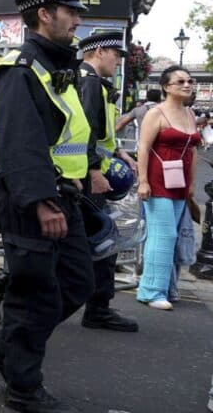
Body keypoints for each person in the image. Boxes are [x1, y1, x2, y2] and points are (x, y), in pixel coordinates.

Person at [0, 0, 94, 413]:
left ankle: (5, 346)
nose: (79, 20)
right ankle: (24, 390)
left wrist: (80, 175)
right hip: (33, 201)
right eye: (72, 12)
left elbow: (64, 133)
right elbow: (20, 143)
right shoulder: (20, 69)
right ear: (45, 14)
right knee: (35, 294)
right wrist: (42, 200)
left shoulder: (57, 67)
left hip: (63, 194)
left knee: (78, 282)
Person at [76, 32, 139, 332]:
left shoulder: (96, 84)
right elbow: (84, 131)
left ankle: (99, 306)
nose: (118, 61)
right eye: (116, 54)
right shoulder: (88, 82)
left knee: (91, 242)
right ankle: (98, 309)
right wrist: (94, 172)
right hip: (89, 179)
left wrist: (120, 152)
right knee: (102, 240)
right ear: (99, 51)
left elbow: (101, 134)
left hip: (89, 175)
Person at [136, 65, 201, 310]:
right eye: (180, 81)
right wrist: (143, 181)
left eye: (190, 81)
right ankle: (152, 291)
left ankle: (164, 287)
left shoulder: (191, 114)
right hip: (157, 181)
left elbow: (193, 151)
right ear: (166, 87)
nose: (187, 85)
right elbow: (143, 147)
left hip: (181, 184)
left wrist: (192, 186)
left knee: (173, 237)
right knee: (164, 235)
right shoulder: (156, 113)